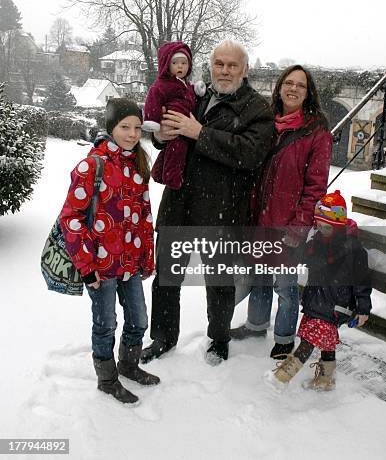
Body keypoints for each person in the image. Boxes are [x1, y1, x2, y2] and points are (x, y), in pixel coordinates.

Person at [140, 40, 275, 365]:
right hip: (179, 202)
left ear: (244, 69)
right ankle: (163, 337)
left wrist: (200, 133)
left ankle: (218, 338)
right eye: (219, 64)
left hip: (223, 210)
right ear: (210, 66)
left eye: (232, 65)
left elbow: (250, 153)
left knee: (219, 281)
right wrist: (161, 136)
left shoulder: (257, 108)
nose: (225, 71)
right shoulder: (192, 94)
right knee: (167, 276)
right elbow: (163, 132)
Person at [59, 98, 160, 404]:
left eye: (137, 128)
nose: (132, 134)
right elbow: (71, 218)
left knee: (139, 320)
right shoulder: (92, 165)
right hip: (100, 267)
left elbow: (144, 216)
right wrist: (87, 267)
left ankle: (129, 365)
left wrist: (146, 258)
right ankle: (107, 379)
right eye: (125, 127)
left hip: (130, 263)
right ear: (111, 128)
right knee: (106, 325)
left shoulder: (137, 164)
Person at [231, 64, 333, 359]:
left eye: (300, 85)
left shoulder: (316, 132)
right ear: (279, 88)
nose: (293, 89)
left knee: (285, 286)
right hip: (259, 219)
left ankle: (285, 338)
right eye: (288, 83)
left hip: (288, 223)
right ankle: (255, 325)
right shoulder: (266, 123)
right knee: (260, 277)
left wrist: (299, 226)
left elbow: (316, 187)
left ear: (308, 92)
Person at [272, 190, 372, 390]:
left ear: (338, 225)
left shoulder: (353, 249)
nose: (321, 229)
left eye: (327, 227)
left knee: (308, 342)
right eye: (319, 225)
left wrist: (363, 309)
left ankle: (281, 377)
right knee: (326, 343)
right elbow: (303, 257)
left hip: (336, 306)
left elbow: (362, 281)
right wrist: (290, 248)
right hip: (315, 302)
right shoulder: (315, 243)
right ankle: (326, 379)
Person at [143, 41, 205, 190]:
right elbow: (153, 99)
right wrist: (153, 120)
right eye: (175, 62)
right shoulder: (162, 84)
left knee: (172, 152)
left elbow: (189, 93)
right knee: (175, 152)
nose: (180, 66)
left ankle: (158, 173)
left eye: (184, 63)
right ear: (167, 64)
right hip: (173, 123)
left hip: (183, 124)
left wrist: (197, 89)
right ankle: (172, 178)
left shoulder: (183, 83)